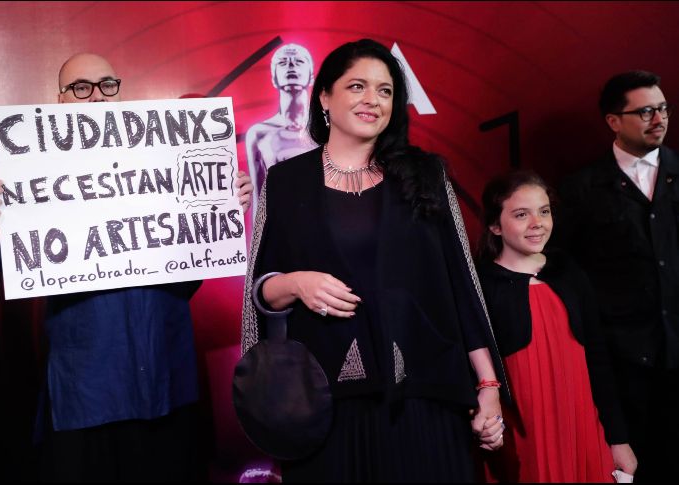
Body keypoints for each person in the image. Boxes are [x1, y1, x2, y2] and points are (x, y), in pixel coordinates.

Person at [0, 52, 253, 482]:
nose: (97, 98)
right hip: (86, 390)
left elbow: (186, 280)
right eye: (81, 88)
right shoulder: (33, 175)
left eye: (108, 85)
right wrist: (5, 230)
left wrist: (218, 211)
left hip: (163, 380)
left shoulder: (164, 160)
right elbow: (27, 282)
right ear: (60, 100)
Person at [240, 38, 507, 482]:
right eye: (358, 86)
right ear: (324, 96)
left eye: (385, 91)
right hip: (324, 404)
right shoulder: (286, 182)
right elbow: (260, 290)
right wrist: (298, 283)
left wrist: (490, 387)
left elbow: (462, 286)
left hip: (426, 398)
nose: (373, 100)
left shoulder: (426, 175)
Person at [554, 70, 679, 483]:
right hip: (624, 367)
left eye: (662, 108)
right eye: (644, 111)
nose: (658, 118)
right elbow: (562, 269)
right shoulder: (580, 190)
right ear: (613, 121)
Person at [476, 170, 637, 482]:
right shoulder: (481, 284)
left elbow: (599, 361)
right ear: (495, 225)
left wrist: (618, 439)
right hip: (523, 432)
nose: (537, 223)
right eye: (521, 214)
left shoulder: (568, 271)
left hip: (581, 423)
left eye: (544, 211)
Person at [245, 43, 317, 211]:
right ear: (273, 77)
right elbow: (259, 202)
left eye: (298, 61)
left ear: (311, 76)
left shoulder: (327, 131)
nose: (291, 66)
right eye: (283, 62)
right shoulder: (259, 134)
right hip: (279, 230)